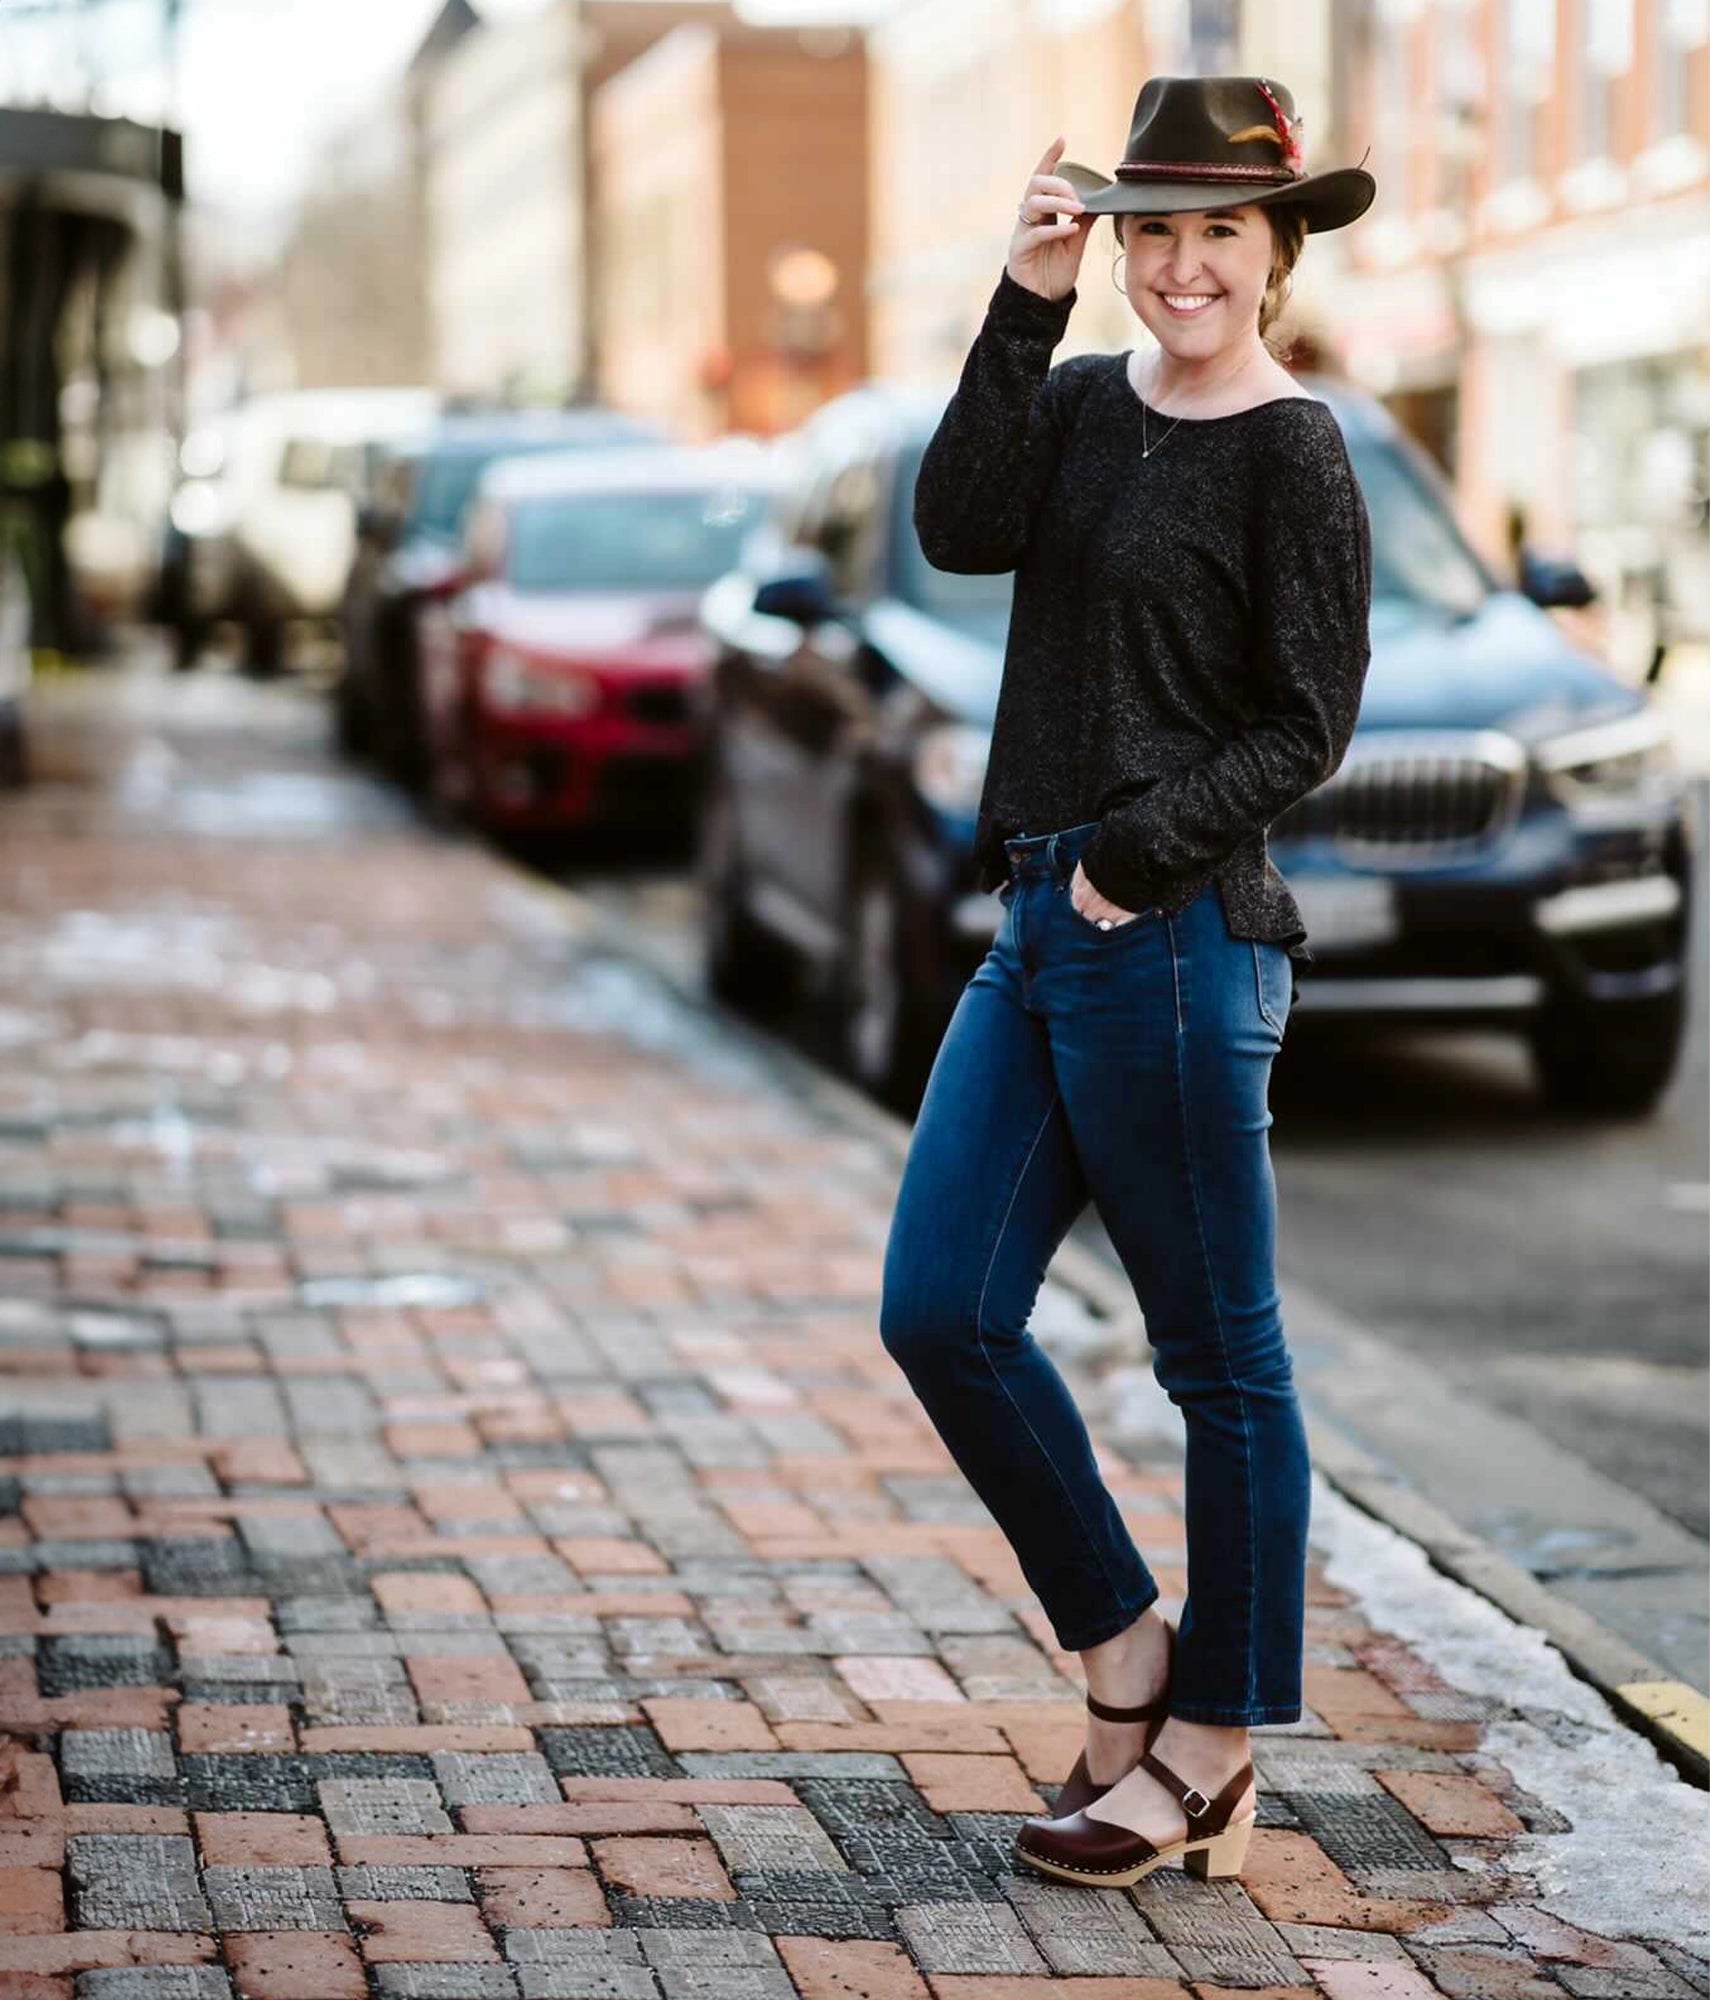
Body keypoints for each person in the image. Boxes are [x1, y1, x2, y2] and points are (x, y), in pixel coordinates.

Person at [878, 75, 1377, 1891]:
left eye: (1215, 232)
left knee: (1216, 1363)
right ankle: (1123, 1662)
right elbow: (955, 523)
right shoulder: (1081, 405)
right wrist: (1022, 300)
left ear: (1274, 253)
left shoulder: (1293, 450)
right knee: (939, 1310)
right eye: (1147, 228)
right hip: (1034, 931)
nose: (1178, 264)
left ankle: (1218, 1747)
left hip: (1168, 940)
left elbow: (1303, 722)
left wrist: (1123, 858)